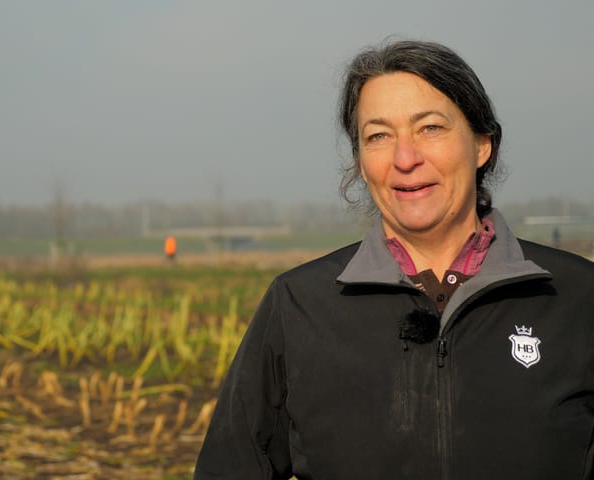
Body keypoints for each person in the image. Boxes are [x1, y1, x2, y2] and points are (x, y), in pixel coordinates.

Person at [194, 39, 594, 479]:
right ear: (362, 164)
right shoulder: (298, 305)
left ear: (482, 145)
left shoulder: (576, 297)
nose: (405, 159)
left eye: (430, 128)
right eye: (379, 136)